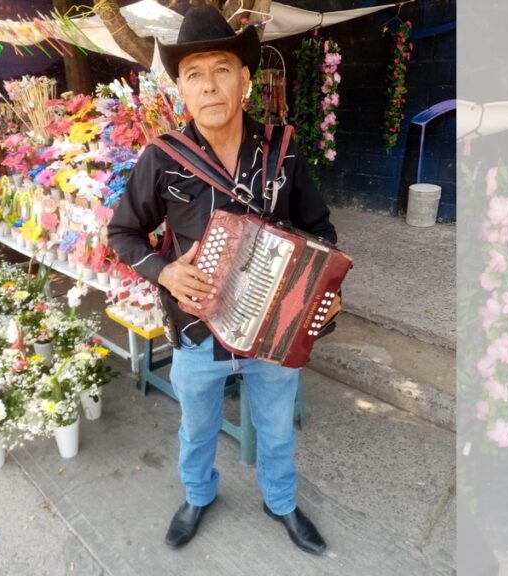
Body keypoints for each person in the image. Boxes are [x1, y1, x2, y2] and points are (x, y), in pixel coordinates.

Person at [108, 6, 339, 555]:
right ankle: (198, 495)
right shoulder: (163, 159)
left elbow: (320, 229)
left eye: (221, 70)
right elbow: (122, 233)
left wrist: (324, 293)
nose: (208, 85)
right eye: (194, 74)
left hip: (273, 333)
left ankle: (280, 501)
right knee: (196, 429)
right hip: (196, 332)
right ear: (181, 90)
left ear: (244, 80)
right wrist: (165, 270)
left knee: (277, 431)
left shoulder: (282, 150)